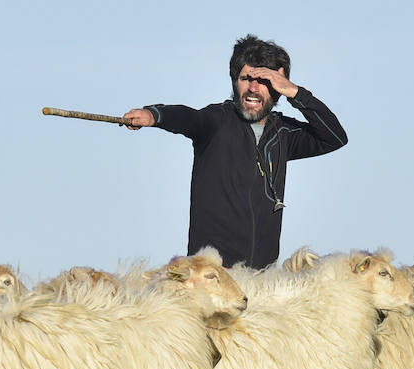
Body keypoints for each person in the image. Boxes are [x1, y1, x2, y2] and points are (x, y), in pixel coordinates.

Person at [123, 34, 348, 270]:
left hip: (262, 278)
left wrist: (296, 93)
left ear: (278, 88)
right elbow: (187, 117)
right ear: (234, 81)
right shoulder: (216, 121)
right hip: (211, 274)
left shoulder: (284, 133)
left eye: (264, 80)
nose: (253, 88)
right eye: (245, 79)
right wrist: (154, 115)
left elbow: (334, 137)